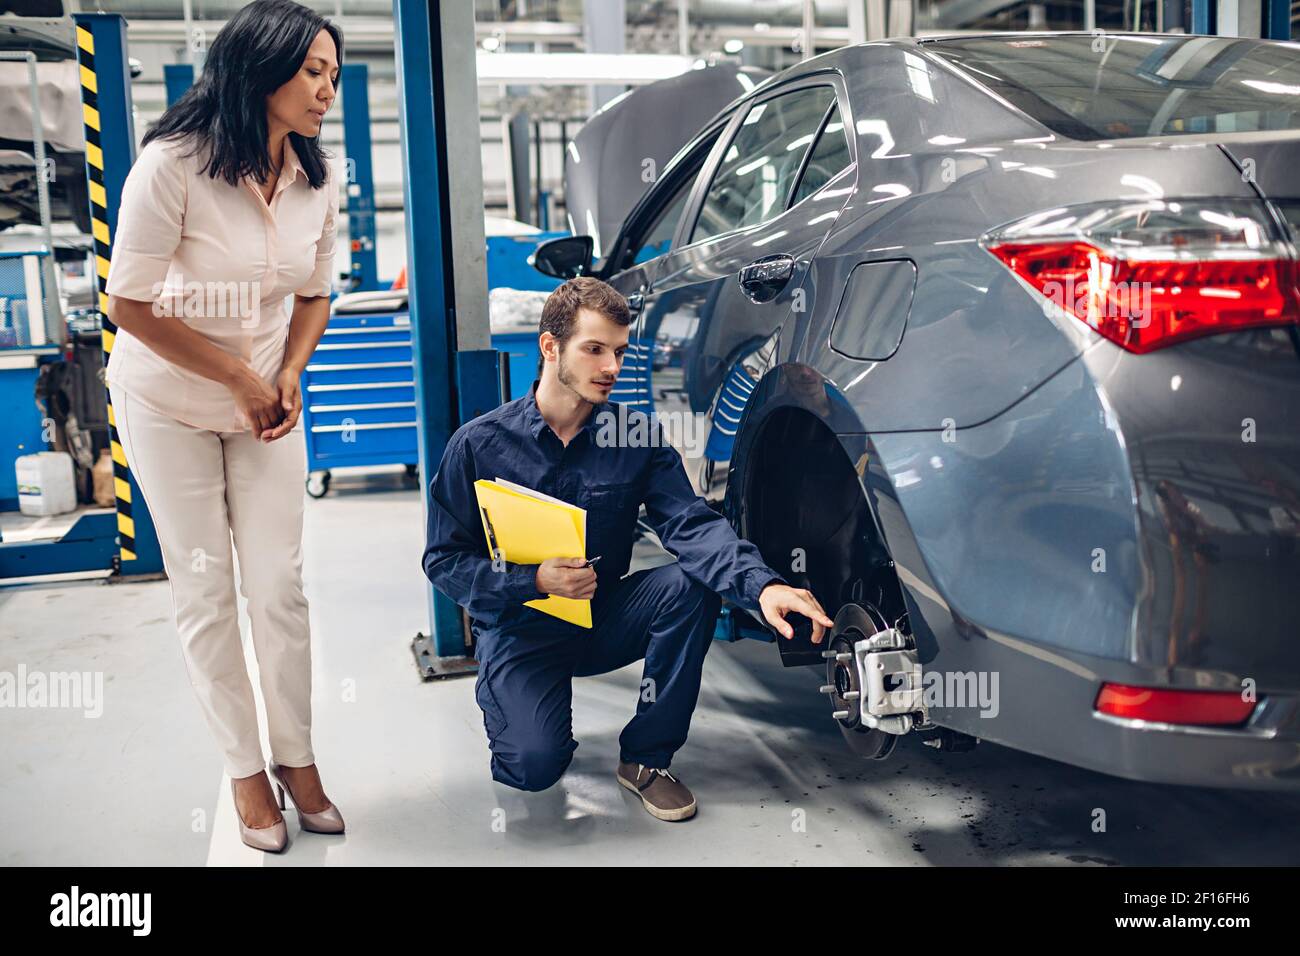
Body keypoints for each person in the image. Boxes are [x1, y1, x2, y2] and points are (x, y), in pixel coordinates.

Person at [423, 276, 833, 822]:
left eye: (618, 351)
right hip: (521, 627)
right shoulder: (479, 444)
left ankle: (646, 758)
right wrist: (534, 580)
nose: (611, 367)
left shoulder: (635, 436)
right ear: (551, 347)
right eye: (594, 349)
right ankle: (527, 707)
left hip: (603, 617)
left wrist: (765, 585)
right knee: (534, 769)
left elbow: (691, 525)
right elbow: (443, 559)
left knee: (690, 583)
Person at [103, 0, 345, 852]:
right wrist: (240, 376)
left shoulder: (319, 176)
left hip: (266, 409)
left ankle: (298, 757)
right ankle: (246, 770)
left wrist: (284, 374)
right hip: (169, 401)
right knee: (205, 590)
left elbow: (315, 293)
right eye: (313, 71)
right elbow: (128, 304)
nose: (326, 89)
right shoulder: (171, 166)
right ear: (260, 68)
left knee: (279, 587)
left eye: (333, 74)